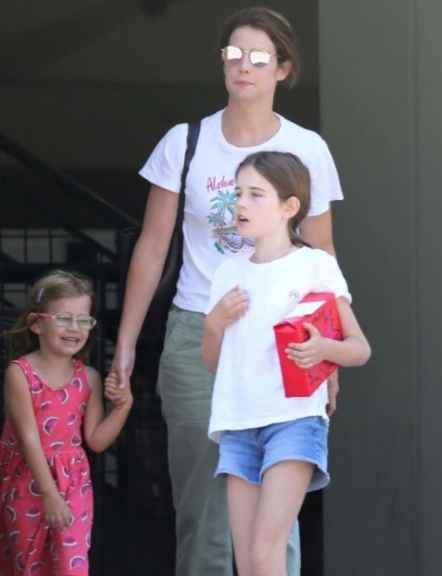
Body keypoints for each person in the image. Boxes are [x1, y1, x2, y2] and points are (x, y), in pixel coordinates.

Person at [113, 6, 344, 575]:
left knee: (276, 513)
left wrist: (328, 353)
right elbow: (152, 246)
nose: (244, 67)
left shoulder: (307, 148)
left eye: (260, 57)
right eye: (234, 55)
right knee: (204, 513)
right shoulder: (184, 142)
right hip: (199, 333)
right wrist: (126, 342)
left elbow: (322, 258)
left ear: (283, 69)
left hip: (284, 340)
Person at [203, 151, 371, 576]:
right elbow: (212, 362)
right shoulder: (226, 272)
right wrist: (215, 323)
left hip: (295, 420)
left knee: (266, 548)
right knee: (248, 559)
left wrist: (322, 350)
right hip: (237, 423)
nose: (241, 203)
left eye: (256, 194)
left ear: (289, 207)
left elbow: (359, 348)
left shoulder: (315, 265)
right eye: (237, 193)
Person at [0, 270, 132, 576]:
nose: (75, 328)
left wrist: (124, 407)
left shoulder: (89, 378)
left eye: (83, 320)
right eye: (64, 318)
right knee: (28, 566)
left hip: (74, 485)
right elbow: (28, 438)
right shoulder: (19, 373)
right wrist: (48, 493)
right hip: (26, 482)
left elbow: (97, 440)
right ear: (36, 324)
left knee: (72, 566)